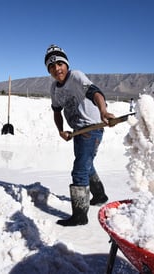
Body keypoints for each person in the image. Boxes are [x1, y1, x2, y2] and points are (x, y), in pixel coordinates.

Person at [45, 44, 115, 226]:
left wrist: (103, 111)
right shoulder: (54, 88)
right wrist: (61, 130)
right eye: (51, 66)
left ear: (66, 64)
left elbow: (96, 92)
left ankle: (80, 216)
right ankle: (100, 196)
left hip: (91, 129)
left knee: (80, 170)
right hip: (78, 131)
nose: (56, 69)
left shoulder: (75, 76)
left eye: (59, 64)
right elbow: (56, 111)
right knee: (87, 165)